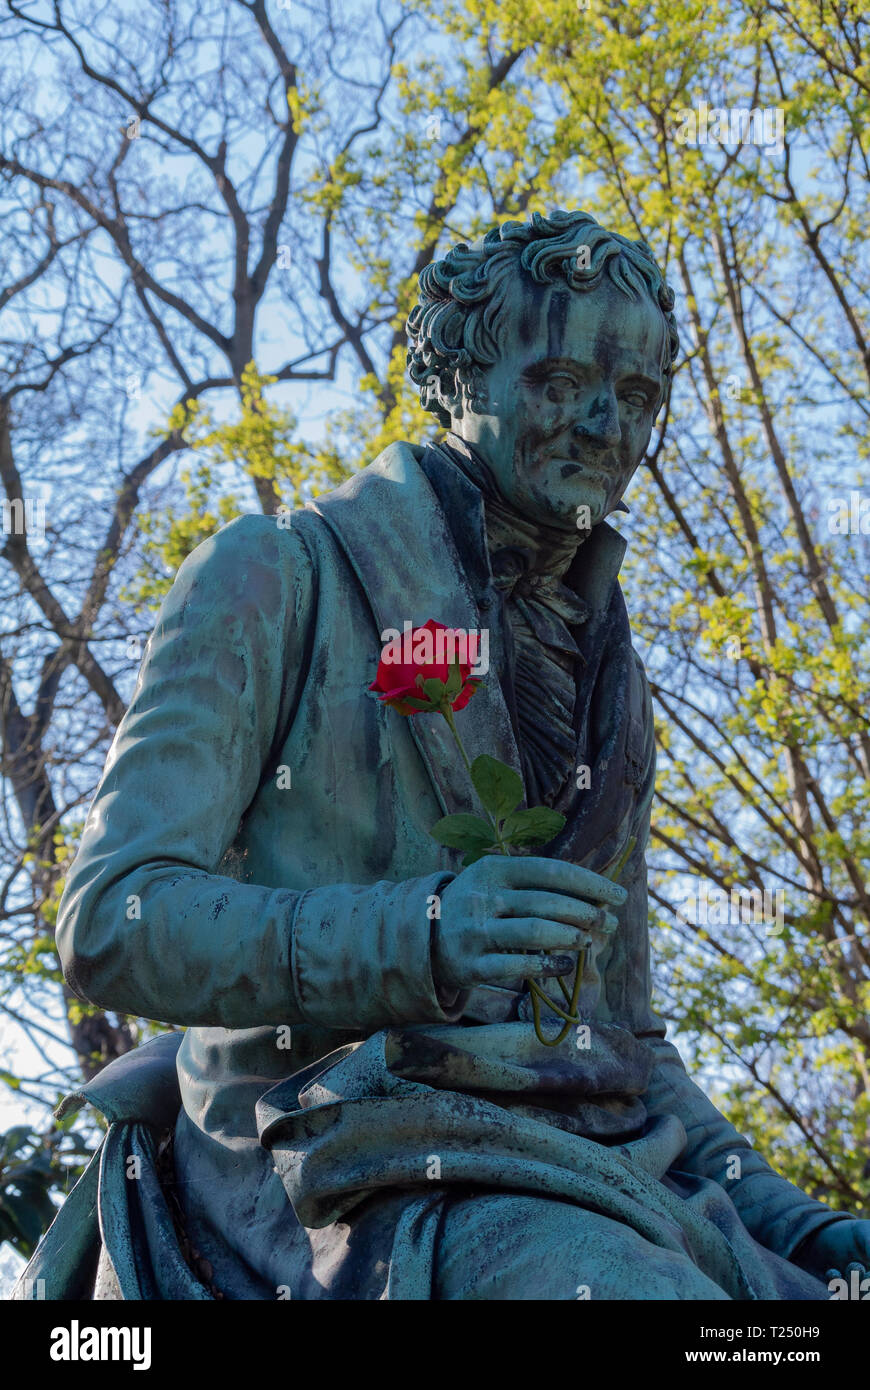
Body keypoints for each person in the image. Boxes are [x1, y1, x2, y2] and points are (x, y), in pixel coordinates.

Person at [15, 209, 866, 1300]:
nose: (607, 423)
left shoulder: (615, 679)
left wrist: (799, 1224)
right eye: (560, 379)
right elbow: (111, 918)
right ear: (461, 375)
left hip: (599, 1171)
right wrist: (417, 934)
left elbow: (631, 1044)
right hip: (337, 1160)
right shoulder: (275, 576)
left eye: (641, 396)